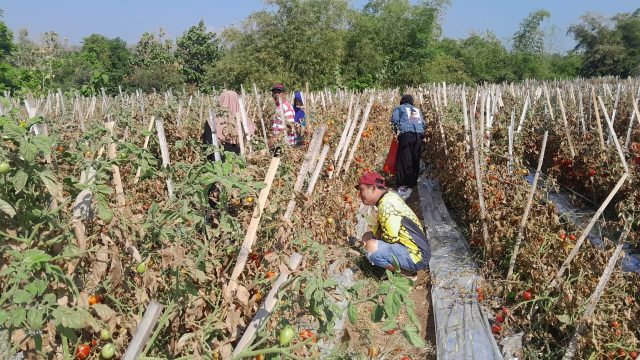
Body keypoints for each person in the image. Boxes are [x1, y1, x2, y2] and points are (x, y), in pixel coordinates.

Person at [356, 171, 430, 276]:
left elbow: (391, 238)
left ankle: (406, 274)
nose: (360, 195)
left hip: (416, 257)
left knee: (371, 247)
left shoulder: (386, 205)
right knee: (368, 236)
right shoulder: (389, 197)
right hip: (419, 250)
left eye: (361, 190)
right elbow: (380, 228)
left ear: (373, 188)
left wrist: (370, 245)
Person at [202, 89, 255, 161]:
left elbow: (207, 143)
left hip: (219, 161)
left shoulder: (212, 120)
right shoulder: (244, 120)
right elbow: (249, 139)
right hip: (239, 160)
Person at [391, 94, 424, 199]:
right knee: (415, 158)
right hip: (418, 135)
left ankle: (403, 183)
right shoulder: (416, 110)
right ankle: (413, 182)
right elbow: (423, 123)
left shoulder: (400, 108)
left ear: (402, 101)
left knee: (404, 159)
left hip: (406, 135)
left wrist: (396, 132)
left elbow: (394, 120)